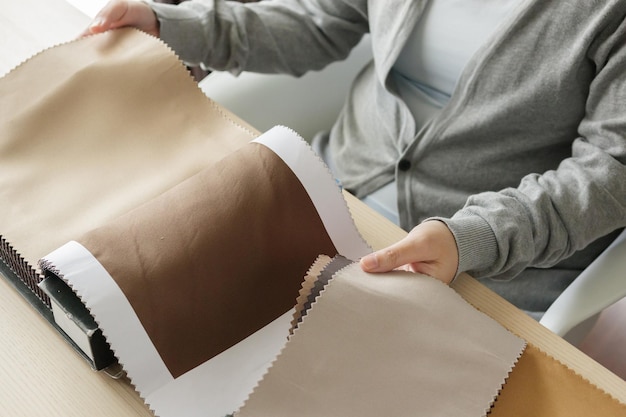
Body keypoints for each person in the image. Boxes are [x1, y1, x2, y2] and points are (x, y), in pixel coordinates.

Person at [83, 0, 626, 317]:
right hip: (325, 189)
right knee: (131, 301)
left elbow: (609, 172)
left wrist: (475, 238)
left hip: (487, 272)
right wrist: (178, 27)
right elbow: (320, 20)